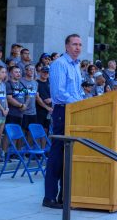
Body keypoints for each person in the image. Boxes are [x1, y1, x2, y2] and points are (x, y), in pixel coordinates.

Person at [43, 34, 83, 209]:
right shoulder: (60, 64)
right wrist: (79, 103)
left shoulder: (76, 65)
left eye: (80, 44)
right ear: (66, 46)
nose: (78, 47)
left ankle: (63, 196)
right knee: (57, 156)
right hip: (62, 112)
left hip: (74, 112)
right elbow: (59, 94)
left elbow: (77, 92)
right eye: (74, 44)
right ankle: (49, 197)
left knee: (69, 155)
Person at [2, 66, 29, 158]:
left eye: (19, 72)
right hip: (11, 113)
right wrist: (20, 105)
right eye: (16, 72)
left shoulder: (21, 84)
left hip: (20, 114)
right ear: (10, 73)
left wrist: (25, 105)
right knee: (8, 134)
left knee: (17, 133)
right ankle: (4, 153)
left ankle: (13, 152)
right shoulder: (8, 84)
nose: (18, 74)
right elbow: (9, 98)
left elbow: (28, 96)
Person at [36, 66, 53, 143]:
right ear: (40, 72)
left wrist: (51, 99)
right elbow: (37, 98)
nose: (45, 74)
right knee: (38, 130)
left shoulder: (51, 83)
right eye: (44, 72)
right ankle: (37, 148)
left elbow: (56, 95)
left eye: (47, 72)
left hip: (49, 110)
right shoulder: (36, 83)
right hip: (38, 110)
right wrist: (46, 107)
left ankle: (43, 150)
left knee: (46, 129)